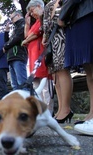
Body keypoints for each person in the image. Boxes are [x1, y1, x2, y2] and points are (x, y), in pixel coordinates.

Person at [58, 0, 93, 131]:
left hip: (85, 15)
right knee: (89, 71)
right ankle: (92, 114)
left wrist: (62, 15)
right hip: (80, 16)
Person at [42, 0, 73, 123]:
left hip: (62, 37)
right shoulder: (51, 3)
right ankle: (61, 109)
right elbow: (46, 24)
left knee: (62, 70)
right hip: (52, 40)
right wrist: (45, 36)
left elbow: (65, 18)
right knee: (56, 74)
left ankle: (66, 109)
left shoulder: (64, 1)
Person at [22, 0, 52, 111]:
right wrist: (27, 23)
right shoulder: (35, 23)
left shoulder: (42, 20)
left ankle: (48, 110)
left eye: (32, 10)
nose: (32, 13)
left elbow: (36, 33)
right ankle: (39, 109)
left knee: (44, 84)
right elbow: (27, 35)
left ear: (39, 6)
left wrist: (25, 42)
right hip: (33, 56)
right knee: (35, 84)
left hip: (41, 54)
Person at [3, 10, 28, 90]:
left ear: (18, 15)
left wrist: (6, 47)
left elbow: (17, 39)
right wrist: (6, 31)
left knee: (22, 83)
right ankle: (18, 101)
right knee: (15, 85)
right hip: (11, 58)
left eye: (12, 18)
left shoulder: (23, 24)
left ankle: (26, 101)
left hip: (19, 56)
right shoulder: (15, 28)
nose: (11, 21)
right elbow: (7, 41)